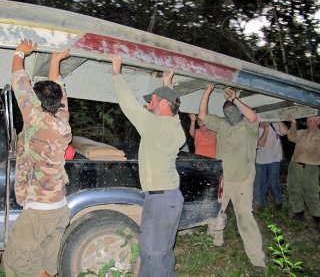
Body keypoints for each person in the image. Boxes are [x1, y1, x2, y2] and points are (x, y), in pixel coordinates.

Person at [109, 54, 185, 277]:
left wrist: (117, 72)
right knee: (161, 251)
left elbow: (128, 104)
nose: (148, 104)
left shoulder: (156, 125)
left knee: (152, 251)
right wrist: (167, 85)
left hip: (162, 200)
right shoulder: (172, 126)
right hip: (165, 198)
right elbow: (173, 110)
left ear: (162, 104)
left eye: (151, 100)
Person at [3, 39, 72, 277]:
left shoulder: (35, 119)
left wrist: (20, 52)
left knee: (17, 263)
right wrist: (55, 60)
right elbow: (58, 91)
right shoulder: (62, 120)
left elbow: (19, 82)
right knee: (44, 265)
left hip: (40, 211)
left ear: (37, 103)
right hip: (59, 208)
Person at [198, 83, 266, 272]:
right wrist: (206, 92)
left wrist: (234, 98)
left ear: (238, 111)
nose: (228, 113)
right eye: (225, 111)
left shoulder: (248, 126)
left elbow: (253, 116)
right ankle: (214, 243)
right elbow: (202, 116)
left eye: (231, 110)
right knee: (215, 212)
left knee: (245, 219)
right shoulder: (222, 124)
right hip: (223, 180)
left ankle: (257, 260)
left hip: (242, 181)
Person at [285, 114, 320, 230]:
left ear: (318, 122)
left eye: (314, 120)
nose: (311, 122)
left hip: (312, 168)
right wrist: (293, 124)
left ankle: (316, 215)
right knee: (294, 189)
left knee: (312, 191)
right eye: (309, 119)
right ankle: (298, 212)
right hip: (295, 165)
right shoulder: (302, 132)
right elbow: (291, 137)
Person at [254, 121, 288, 211]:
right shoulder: (253, 127)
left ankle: (279, 202)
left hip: (274, 159)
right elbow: (261, 143)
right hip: (260, 160)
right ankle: (262, 205)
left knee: (273, 183)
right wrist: (266, 128)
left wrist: (277, 118)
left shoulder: (274, 124)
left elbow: (285, 132)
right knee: (260, 184)